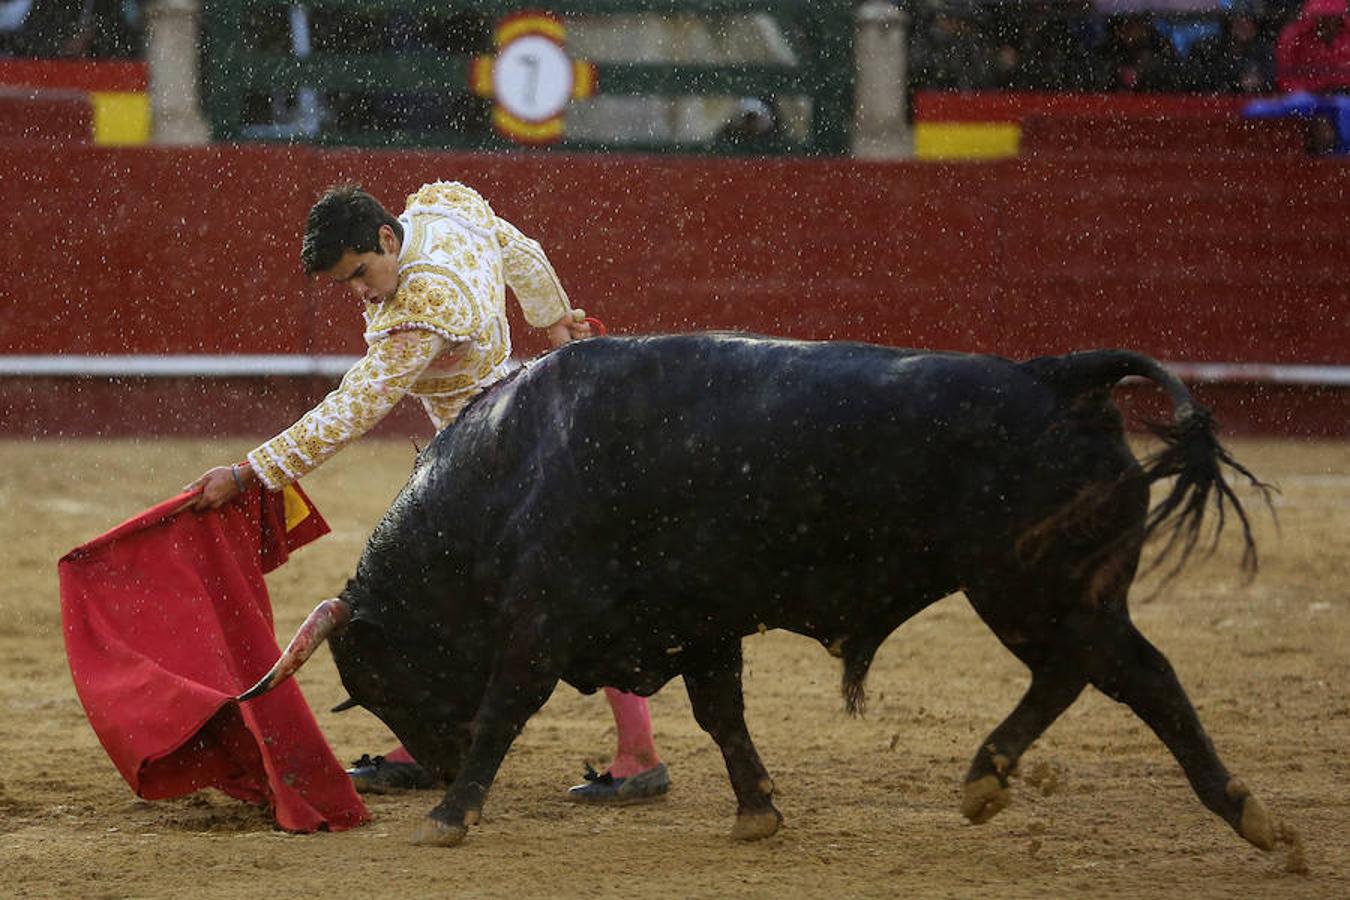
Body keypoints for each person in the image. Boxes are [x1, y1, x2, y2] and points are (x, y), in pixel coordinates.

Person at [186, 181, 669, 803]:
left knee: (542, 596)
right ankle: (436, 739)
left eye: (361, 272)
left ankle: (636, 754)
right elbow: (520, 250)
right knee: (488, 594)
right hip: (504, 437)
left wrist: (252, 471)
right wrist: (555, 322)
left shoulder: (424, 302)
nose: (360, 292)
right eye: (346, 284)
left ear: (388, 238)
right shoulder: (443, 213)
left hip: (490, 462)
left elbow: (355, 407)